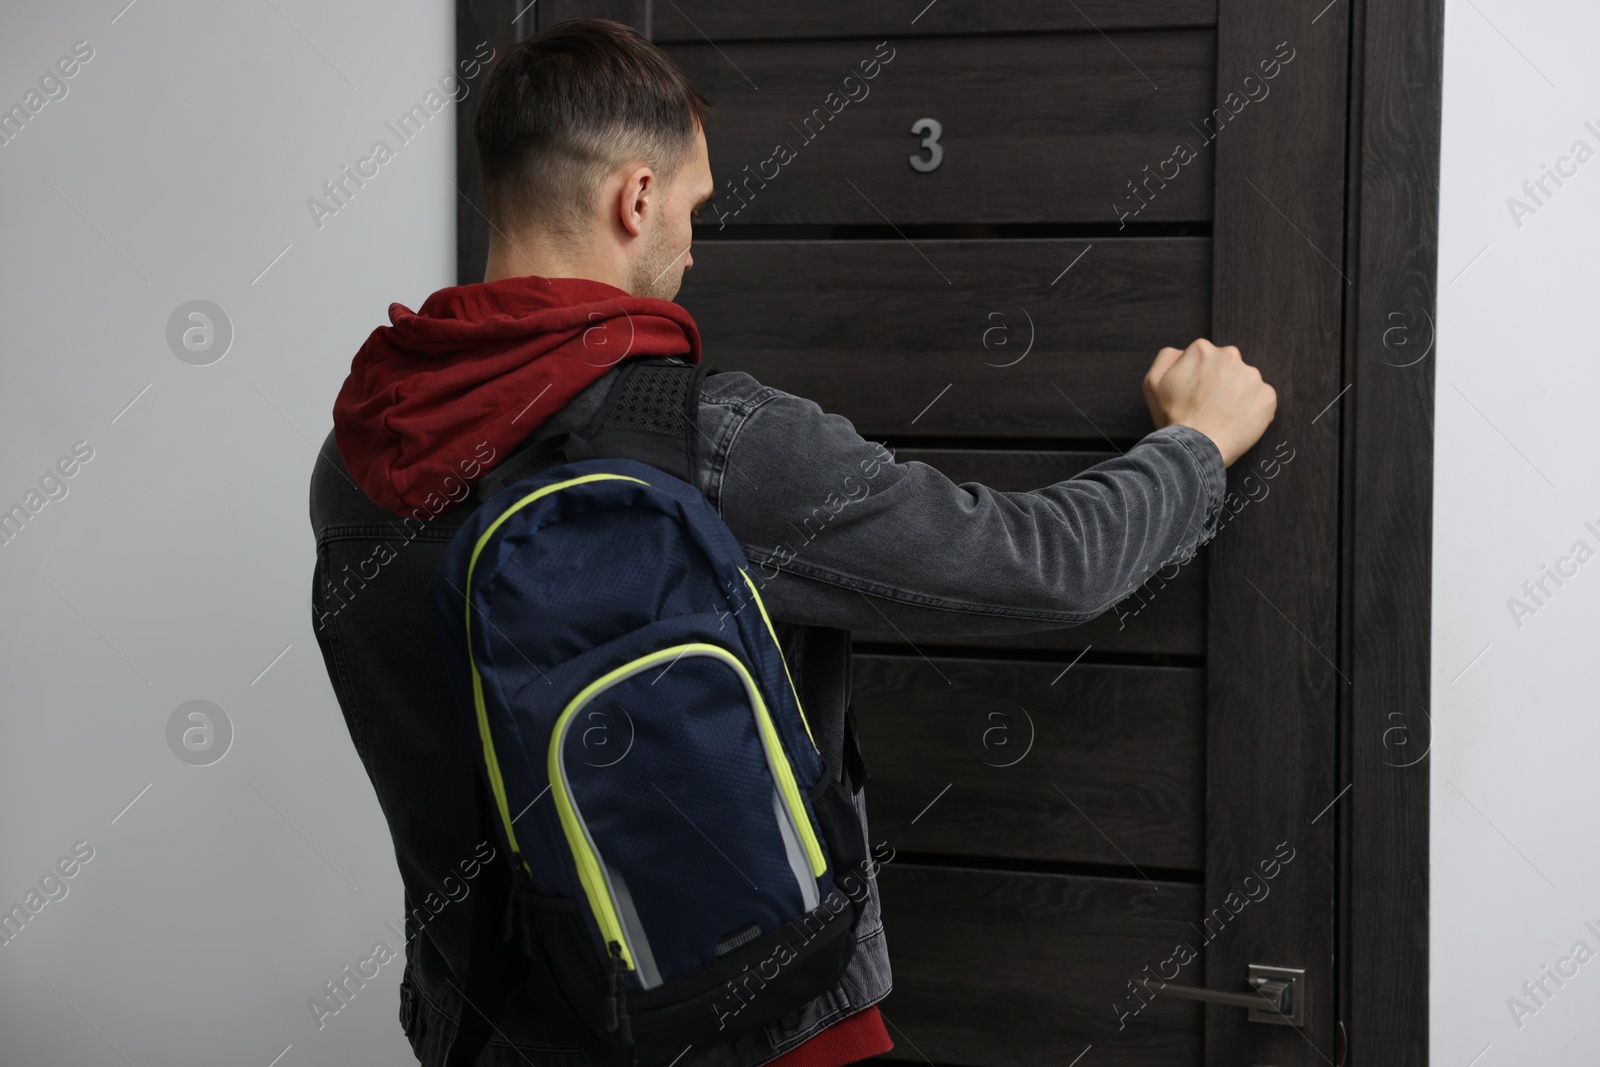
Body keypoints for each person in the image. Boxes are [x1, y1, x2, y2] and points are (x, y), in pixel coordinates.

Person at [309, 18, 1276, 1067]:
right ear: (634, 199)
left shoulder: (359, 452)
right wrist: (1196, 441)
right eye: (692, 205)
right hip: (747, 1024)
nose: (692, 237)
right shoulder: (708, 441)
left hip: (489, 1027)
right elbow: (1032, 564)